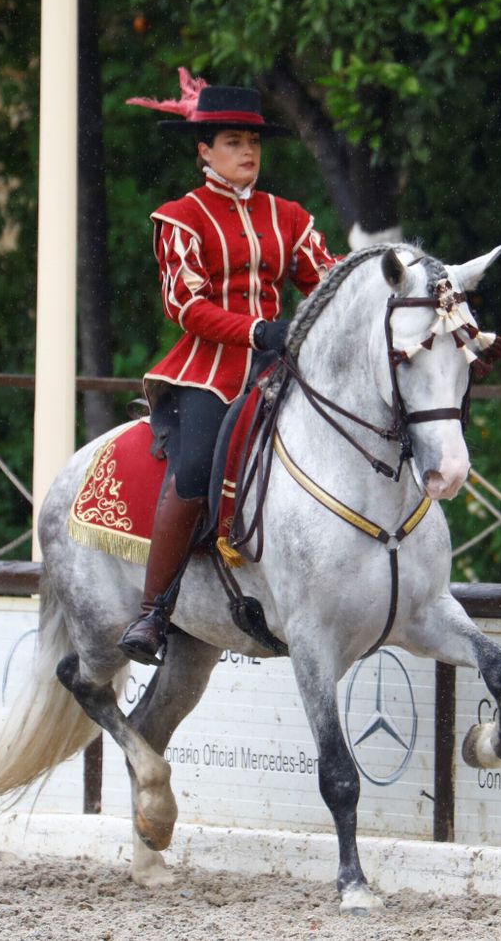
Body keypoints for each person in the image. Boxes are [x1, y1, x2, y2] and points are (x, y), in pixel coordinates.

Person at [118, 77, 337, 665]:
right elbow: (184, 307)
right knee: (194, 467)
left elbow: (327, 280)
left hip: (279, 369)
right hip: (208, 372)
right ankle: (153, 612)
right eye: (234, 142)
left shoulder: (288, 216)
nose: (248, 152)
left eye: (254, 142)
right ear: (204, 151)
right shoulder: (180, 217)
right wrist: (258, 330)